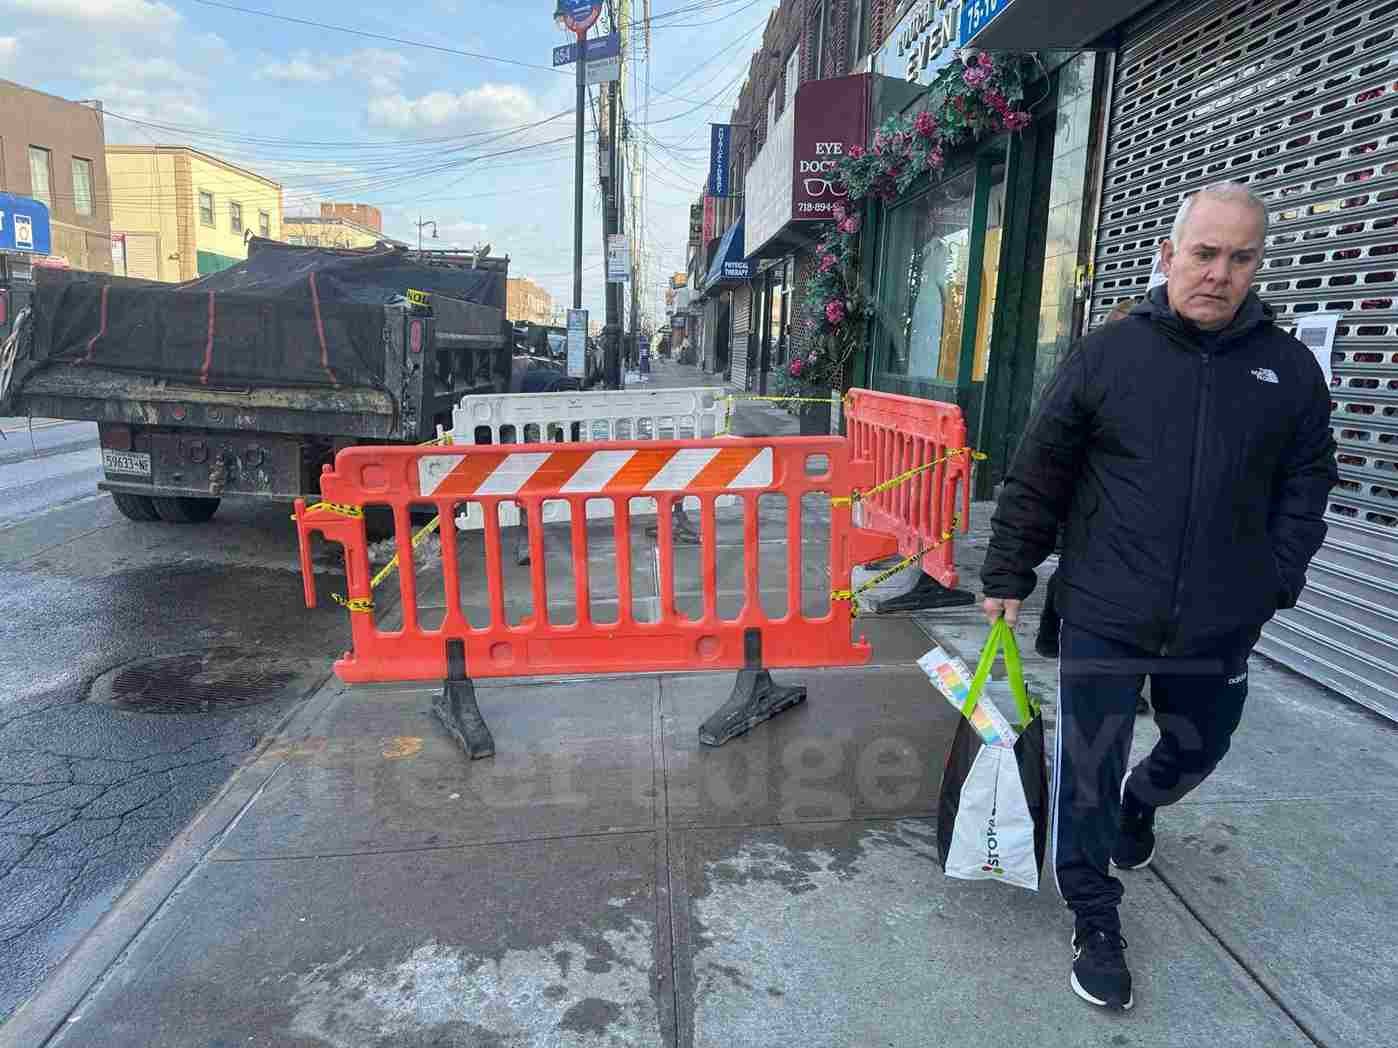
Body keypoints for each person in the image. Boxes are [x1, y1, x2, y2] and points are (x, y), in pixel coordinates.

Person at [980, 181, 1337, 1012]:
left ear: (1256, 265)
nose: (1218, 273)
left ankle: (1144, 806)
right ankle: (1094, 912)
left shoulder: (1286, 370)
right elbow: (1041, 470)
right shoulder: (1110, 354)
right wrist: (1008, 573)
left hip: (1222, 613)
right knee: (1088, 771)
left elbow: (1308, 478)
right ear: (1168, 255)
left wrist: (1277, 575)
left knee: (1199, 748)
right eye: (1204, 254)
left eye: (1239, 258)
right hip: (1107, 605)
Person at [1034, 297, 1153, 716]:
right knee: (1072, 573)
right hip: (1086, 505)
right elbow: (1048, 449)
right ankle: (1056, 633)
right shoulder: (1089, 368)